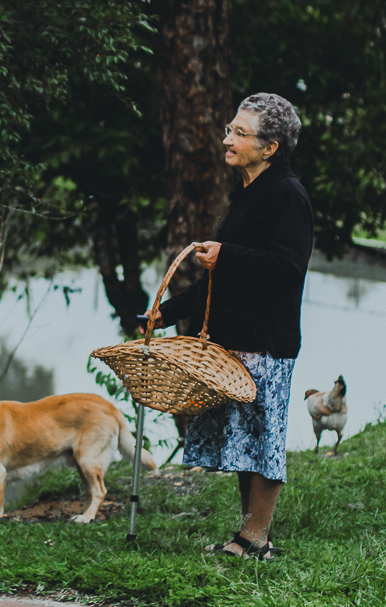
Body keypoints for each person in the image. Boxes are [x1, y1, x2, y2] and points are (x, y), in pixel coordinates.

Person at [144, 93, 312, 561]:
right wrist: (168, 312)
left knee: (264, 440)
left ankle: (256, 538)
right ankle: (249, 536)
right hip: (234, 340)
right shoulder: (250, 192)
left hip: (268, 342)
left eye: (240, 133)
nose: (228, 139)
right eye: (229, 129)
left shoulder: (287, 195)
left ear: (270, 146)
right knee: (245, 443)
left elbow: (288, 268)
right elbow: (222, 281)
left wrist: (228, 255)